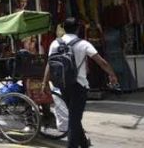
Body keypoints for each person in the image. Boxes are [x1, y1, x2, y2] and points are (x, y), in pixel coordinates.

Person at [43, 18, 118, 148]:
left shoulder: (55, 43)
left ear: (64, 28)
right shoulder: (83, 44)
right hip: (79, 86)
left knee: (74, 116)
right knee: (74, 119)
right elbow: (101, 62)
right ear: (78, 29)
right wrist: (112, 74)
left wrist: (45, 83)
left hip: (63, 85)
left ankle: (83, 144)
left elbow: (49, 65)